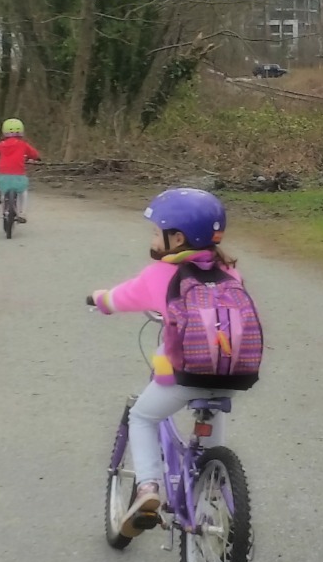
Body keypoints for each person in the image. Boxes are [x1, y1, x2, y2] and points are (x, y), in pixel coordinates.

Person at [91, 188, 261, 538]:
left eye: (157, 232)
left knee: (142, 416)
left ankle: (148, 489)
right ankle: (214, 485)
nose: (153, 238)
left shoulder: (160, 276)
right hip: (234, 374)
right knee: (210, 419)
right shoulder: (230, 273)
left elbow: (121, 297)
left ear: (178, 237)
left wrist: (99, 300)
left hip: (182, 375)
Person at [0, 118, 40, 223]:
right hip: (18, 175)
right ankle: (22, 213)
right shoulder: (23, 144)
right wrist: (36, 158)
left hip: (3, 174)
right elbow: (34, 154)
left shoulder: (2, 144)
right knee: (23, 191)